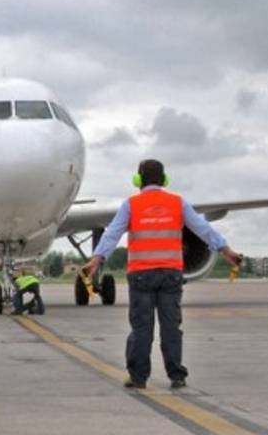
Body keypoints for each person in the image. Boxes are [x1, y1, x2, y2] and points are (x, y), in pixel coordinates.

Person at [82, 159, 241, 389]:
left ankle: (138, 378)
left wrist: (96, 259)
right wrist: (227, 251)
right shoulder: (178, 203)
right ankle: (177, 376)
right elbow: (203, 229)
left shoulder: (131, 205)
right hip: (170, 274)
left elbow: (112, 235)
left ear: (138, 180)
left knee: (141, 328)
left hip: (141, 275)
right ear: (164, 179)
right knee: (171, 327)